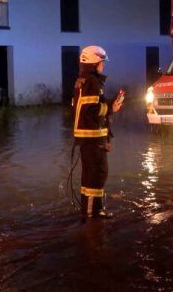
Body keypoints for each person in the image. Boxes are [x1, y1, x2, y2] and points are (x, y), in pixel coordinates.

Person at [72, 45, 124, 218]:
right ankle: (94, 213)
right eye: (102, 62)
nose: (104, 65)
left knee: (89, 174)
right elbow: (91, 110)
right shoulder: (93, 81)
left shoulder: (82, 80)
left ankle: (88, 210)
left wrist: (110, 104)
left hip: (86, 137)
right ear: (94, 62)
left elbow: (89, 106)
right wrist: (110, 108)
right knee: (98, 173)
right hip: (93, 137)